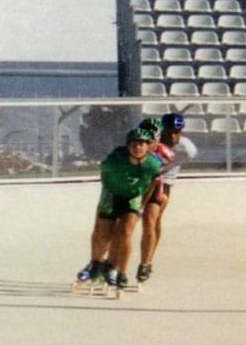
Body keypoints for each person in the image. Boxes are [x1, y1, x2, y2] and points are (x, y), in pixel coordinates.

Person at [75, 127, 161, 290]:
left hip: (133, 197)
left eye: (142, 144)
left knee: (125, 233)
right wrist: (111, 190)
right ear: (128, 146)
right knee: (103, 233)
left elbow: (153, 183)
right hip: (112, 194)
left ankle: (121, 271)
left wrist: (142, 204)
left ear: (148, 146)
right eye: (134, 144)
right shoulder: (114, 160)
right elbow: (103, 174)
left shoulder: (153, 164)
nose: (138, 148)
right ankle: (96, 264)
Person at [136, 112, 198, 282]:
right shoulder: (151, 141)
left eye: (176, 132)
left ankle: (146, 263)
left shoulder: (187, 149)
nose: (172, 136)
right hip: (142, 181)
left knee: (151, 219)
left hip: (164, 183)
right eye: (168, 131)